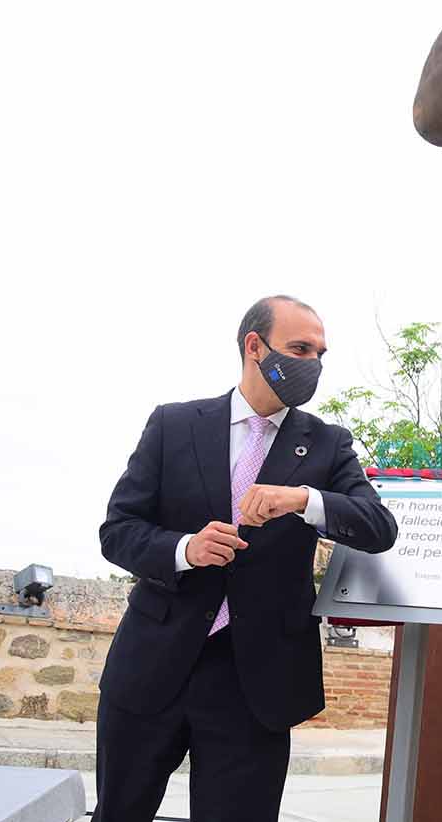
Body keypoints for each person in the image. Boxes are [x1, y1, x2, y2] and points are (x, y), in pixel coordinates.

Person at [94, 296, 399, 822]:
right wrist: (184, 550)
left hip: (256, 683)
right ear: (254, 346)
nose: (314, 363)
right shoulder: (173, 424)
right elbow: (118, 531)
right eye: (300, 349)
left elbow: (378, 527)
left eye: (321, 354)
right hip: (152, 667)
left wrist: (304, 500)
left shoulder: (327, 444)